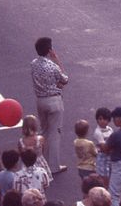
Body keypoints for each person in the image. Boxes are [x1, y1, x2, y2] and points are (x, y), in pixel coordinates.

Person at [30, 37, 68, 174]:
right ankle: (53, 166)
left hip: (40, 100)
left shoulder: (34, 63)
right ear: (49, 50)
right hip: (54, 101)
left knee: (44, 131)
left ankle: (41, 161)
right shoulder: (53, 66)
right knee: (55, 134)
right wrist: (56, 59)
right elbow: (64, 79)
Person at [93, 108, 113, 185]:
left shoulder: (110, 129)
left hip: (110, 155)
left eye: (105, 119)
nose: (102, 121)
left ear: (108, 120)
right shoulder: (98, 132)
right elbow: (103, 147)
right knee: (103, 175)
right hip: (102, 156)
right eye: (100, 119)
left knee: (110, 173)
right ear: (97, 119)